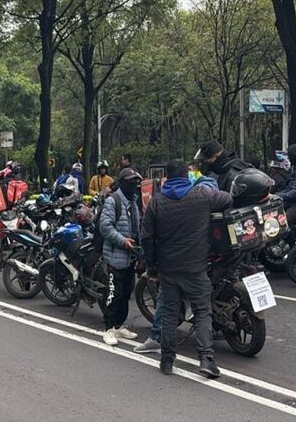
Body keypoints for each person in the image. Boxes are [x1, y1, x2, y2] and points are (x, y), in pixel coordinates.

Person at [141, 160, 231, 377]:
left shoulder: (156, 202)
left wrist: (152, 266)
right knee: (202, 312)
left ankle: (166, 361)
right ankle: (206, 360)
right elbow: (228, 199)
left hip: (169, 269)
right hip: (196, 267)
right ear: (186, 176)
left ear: (167, 178)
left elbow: (146, 238)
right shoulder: (202, 195)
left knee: (170, 314)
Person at [98, 168, 142, 346]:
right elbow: (105, 227)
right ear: (123, 182)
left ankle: (119, 326)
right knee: (113, 294)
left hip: (130, 257)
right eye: (131, 181)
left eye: (136, 181)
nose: (135, 184)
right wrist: (122, 241)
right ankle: (108, 329)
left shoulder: (134, 202)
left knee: (125, 293)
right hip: (115, 256)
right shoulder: (113, 201)